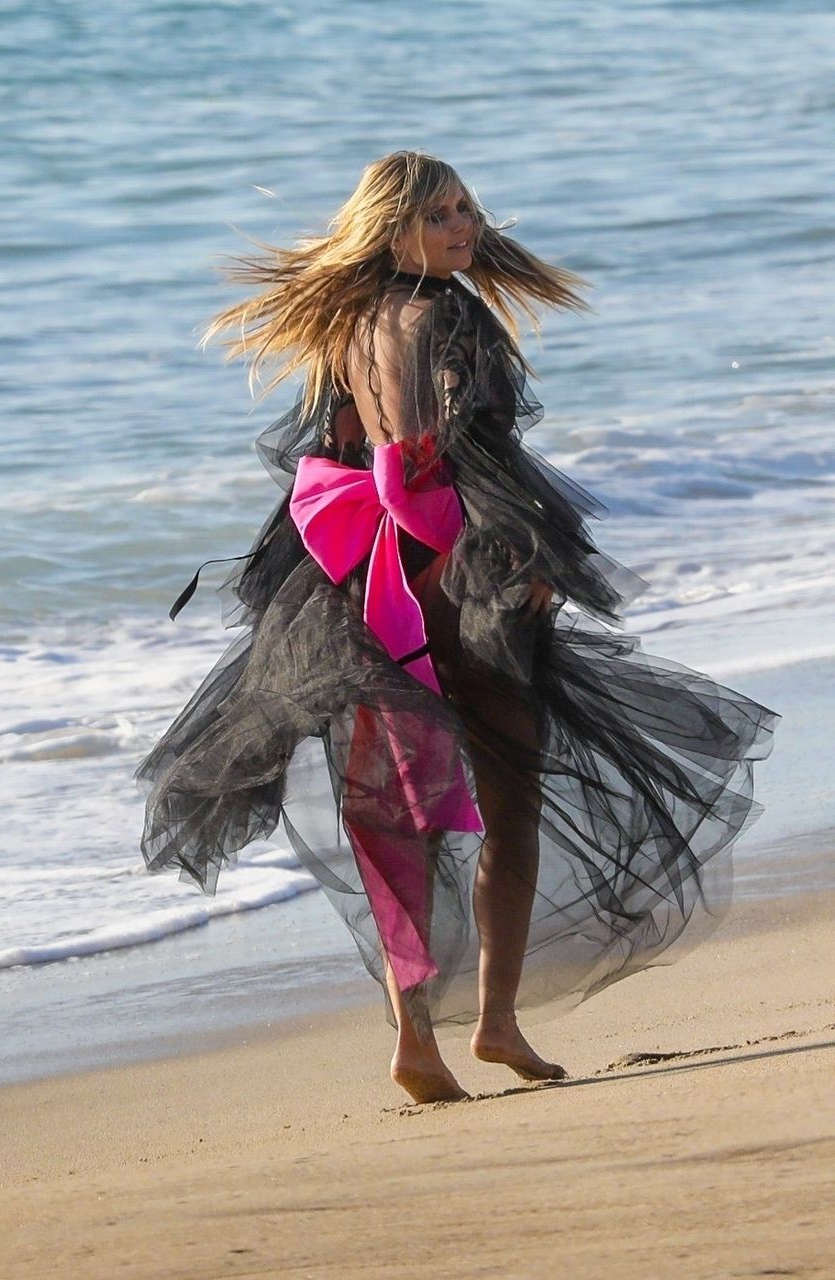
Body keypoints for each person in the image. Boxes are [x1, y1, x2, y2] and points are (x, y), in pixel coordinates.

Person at [137, 152, 776, 1102]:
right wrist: (524, 557)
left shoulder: (350, 320)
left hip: (365, 582)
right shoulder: (449, 314)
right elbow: (461, 452)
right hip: (452, 569)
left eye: (466, 209)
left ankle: (415, 1038)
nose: (463, 227)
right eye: (438, 215)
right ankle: (495, 1021)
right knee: (511, 799)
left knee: (399, 812)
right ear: (391, 227)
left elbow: (345, 448)